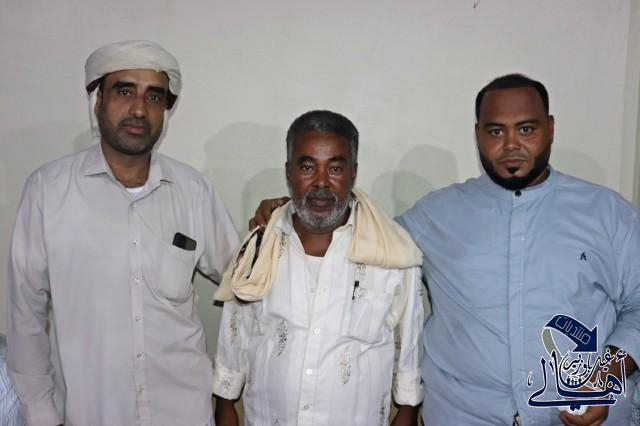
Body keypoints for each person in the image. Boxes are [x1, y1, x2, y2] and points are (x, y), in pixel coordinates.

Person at [250, 75, 639, 425]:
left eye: (526, 129)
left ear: (550, 128)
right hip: (464, 414)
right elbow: (359, 236)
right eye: (496, 131)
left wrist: (607, 373)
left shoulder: (608, 214)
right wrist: (289, 211)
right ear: (477, 135)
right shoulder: (436, 215)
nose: (511, 145)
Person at [7, 40, 238, 426]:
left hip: (184, 411)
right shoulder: (48, 190)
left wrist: (282, 222)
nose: (139, 109)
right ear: (98, 100)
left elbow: (245, 280)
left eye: (154, 96)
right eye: (124, 91)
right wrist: (41, 412)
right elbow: (25, 316)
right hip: (90, 412)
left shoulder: (193, 191)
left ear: (165, 109)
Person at [212, 110, 424, 425]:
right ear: (289, 172)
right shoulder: (261, 244)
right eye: (308, 167)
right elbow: (235, 334)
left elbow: (408, 348)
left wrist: (407, 411)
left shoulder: (391, 252)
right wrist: (225, 404)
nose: (321, 182)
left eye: (335, 168)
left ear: (353, 173)